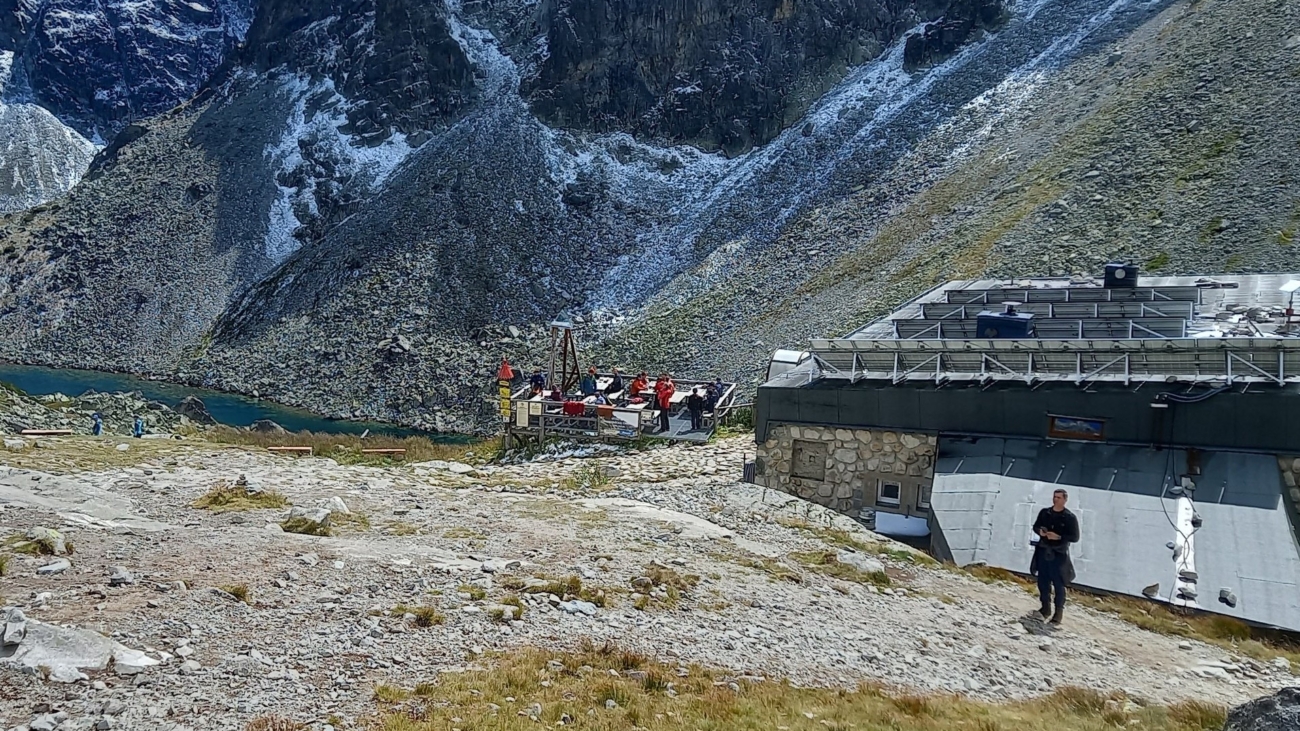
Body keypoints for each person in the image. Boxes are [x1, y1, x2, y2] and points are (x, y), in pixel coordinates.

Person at [1030, 488, 1081, 625]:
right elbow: (1035, 526)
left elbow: (1075, 537)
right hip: (1043, 551)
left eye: (1058, 497)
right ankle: (1045, 608)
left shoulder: (1070, 517)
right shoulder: (1045, 513)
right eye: (1054, 497)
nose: (1055, 499)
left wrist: (1058, 537)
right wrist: (1040, 532)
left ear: (1065, 500)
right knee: (1043, 582)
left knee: (1059, 585)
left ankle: (1058, 613)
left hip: (1058, 554)